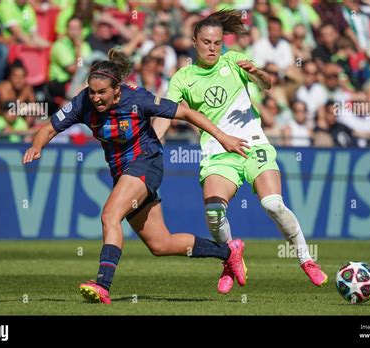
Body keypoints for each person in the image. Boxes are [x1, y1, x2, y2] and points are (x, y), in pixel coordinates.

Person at [22, 49, 248, 304]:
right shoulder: (82, 102)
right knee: (161, 244)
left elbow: (185, 113)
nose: (95, 97)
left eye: (101, 92)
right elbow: (49, 128)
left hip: (146, 164)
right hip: (123, 174)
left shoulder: (138, 99)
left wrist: (223, 137)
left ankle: (103, 285)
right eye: (92, 91)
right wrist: (37, 146)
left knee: (110, 215)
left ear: (117, 90)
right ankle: (228, 251)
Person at [153, 10, 328, 295]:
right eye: (207, 42)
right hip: (218, 152)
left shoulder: (233, 61)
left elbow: (267, 84)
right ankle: (230, 259)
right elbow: (166, 113)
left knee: (272, 204)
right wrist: (155, 140)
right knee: (213, 213)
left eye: (217, 43)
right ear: (194, 41)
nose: (212, 48)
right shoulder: (183, 78)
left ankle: (306, 259)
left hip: (253, 145)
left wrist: (259, 75)